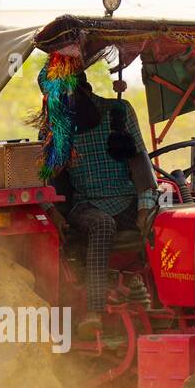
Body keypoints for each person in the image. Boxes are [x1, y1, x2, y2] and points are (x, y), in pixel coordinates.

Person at [36, 68, 158, 339]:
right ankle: (95, 311)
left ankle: (155, 300)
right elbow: (40, 182)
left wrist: (144, 207)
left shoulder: (119, 112)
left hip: (126, 201)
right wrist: (51, 211)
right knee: (102, 225)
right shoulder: (54, 128)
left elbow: (141, 166)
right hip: (86, 206)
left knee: (167, 225)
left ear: (84, 90)